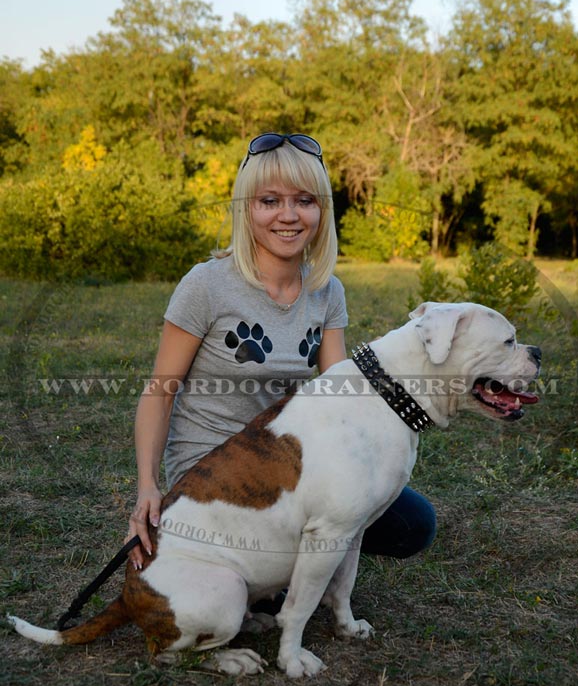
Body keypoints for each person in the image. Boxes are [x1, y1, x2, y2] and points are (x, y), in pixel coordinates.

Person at [127, 132, 436, 576]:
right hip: (212, 470)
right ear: (246, 208)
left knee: (413, 524)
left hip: (285, 459)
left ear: (321, 210)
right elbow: (159, 393)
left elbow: (340, 396)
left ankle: (285, 558)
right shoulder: (206, 285)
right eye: (269, 201)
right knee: (267, 588)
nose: (288, 215)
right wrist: (148, 488)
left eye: (304, 201)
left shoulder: (327, 291)